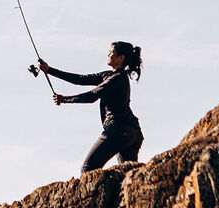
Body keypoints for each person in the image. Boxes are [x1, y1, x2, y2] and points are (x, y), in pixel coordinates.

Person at [38, 41, 144, 173]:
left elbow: (91, 96)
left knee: (88, 169)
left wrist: (65, 99)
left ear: (121, 58)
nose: (108, 54)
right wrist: (49, 70)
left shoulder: (116, 79)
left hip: (118, 130)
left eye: (112, 52)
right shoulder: (109, 75)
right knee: (127, 174)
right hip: (133, 133)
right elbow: (80, 79)